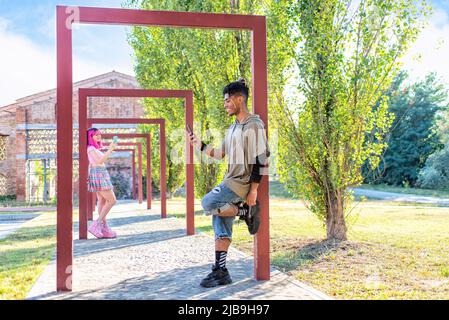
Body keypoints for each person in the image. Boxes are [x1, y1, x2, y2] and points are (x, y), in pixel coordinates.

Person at [188, 78, 270, 288]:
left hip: (240, 184)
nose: (224, 104)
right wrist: (200, 145)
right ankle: (221, 270)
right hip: (229, 180)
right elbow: (219, 154)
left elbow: (262, 158)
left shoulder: (254, 124)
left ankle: (245, 212)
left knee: (208, 203)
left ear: (239, 99)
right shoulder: (232, 127)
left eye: (227, 100)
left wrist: (253, 191)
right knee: (220, 223)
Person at [86, 128, 118, 239]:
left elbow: (100, 158)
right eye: (95, 135)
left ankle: (104, 229)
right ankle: (97, 224)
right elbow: (100, 161)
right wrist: (109, 150)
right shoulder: (90, 148)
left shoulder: (95, 148)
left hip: (101, 173)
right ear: (90, 137)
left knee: (102, 201)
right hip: (98, 174)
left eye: (99, 134)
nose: (98, 136)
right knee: (112, 200)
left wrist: (109, 148)